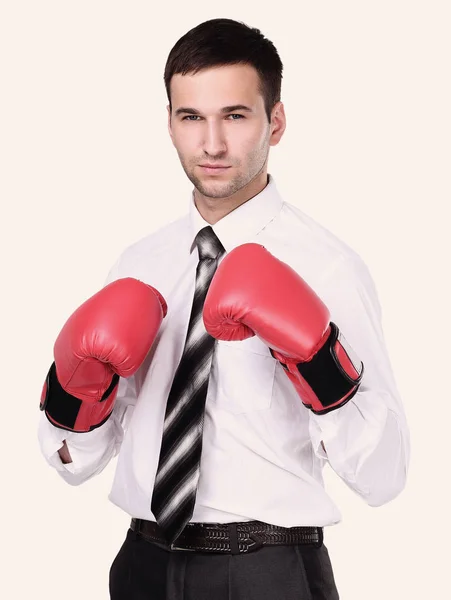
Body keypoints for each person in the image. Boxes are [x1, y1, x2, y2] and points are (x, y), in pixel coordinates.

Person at [38, 17, 410, 600]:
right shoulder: (142, 261)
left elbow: (385, 476)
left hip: (267, 569)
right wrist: (76, 395)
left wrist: (317, 358)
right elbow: (72, 461)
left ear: (276, 122)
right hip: (141, 565)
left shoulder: (328, 267)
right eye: (192, 118)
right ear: (169, 124)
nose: (212, 144)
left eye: (235, 116)